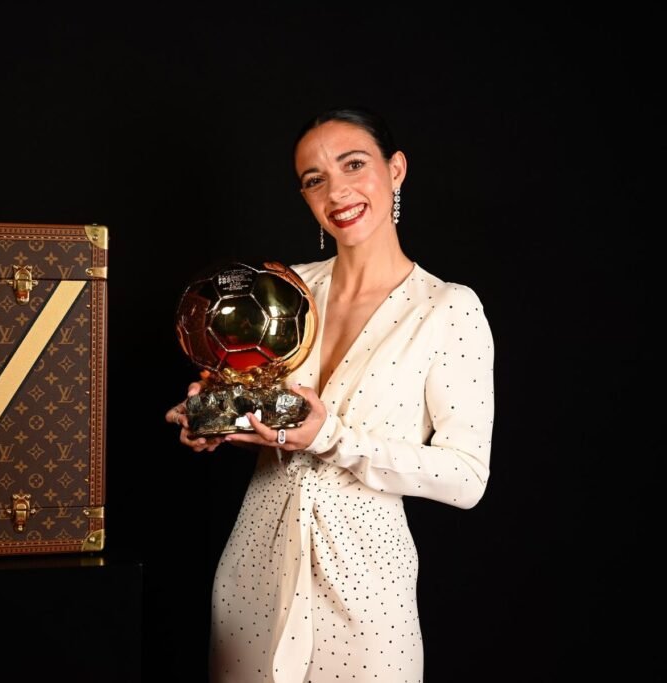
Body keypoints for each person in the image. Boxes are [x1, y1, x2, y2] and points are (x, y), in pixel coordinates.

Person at [165, 106, 495, 683]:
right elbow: (267, 413)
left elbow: (466, 478)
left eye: (354, 164)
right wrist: (219, 418)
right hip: (254, 570)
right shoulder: (286, 289)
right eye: (314, 179)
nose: (337, 191)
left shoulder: (447, 308)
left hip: (367, 589)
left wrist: (333, 438)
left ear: (396, 169)